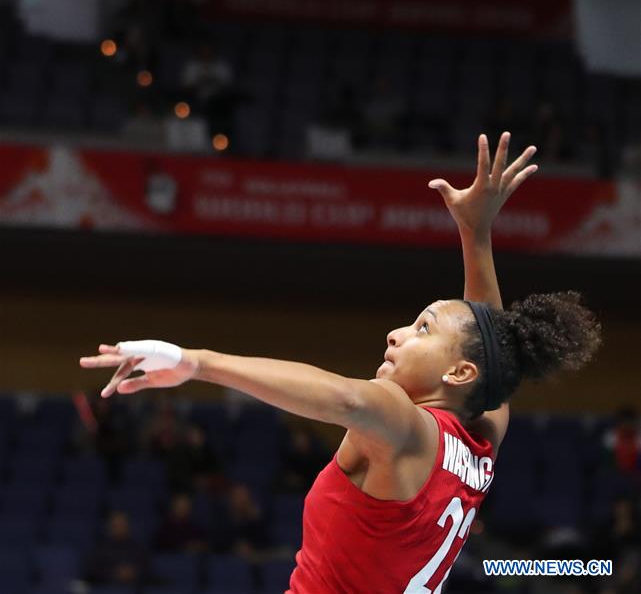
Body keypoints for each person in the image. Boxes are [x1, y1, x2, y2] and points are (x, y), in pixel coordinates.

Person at [80, 132, 602, 594]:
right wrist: (476, 232)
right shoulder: (484, 434)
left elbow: (348, 397)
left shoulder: (406, 424)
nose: (396, 333)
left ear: (458, 373)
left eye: (422, 327)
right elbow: (491, 342)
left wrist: (199, 361)